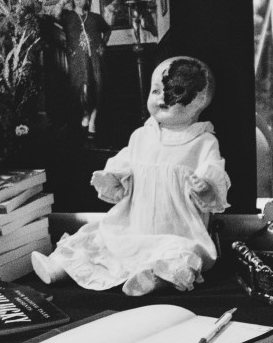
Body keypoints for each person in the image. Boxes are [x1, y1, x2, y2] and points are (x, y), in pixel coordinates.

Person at [32, 56, 231, 296]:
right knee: (98, 238)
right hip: (134, 225)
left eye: (175, 91)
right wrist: (115, 178)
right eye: (155, 90)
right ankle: (57, 268)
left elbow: (214, 180)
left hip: (178, 232)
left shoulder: (203, 142)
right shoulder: (141, 137)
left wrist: (205, 187)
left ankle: (152, 280)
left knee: (181, 255)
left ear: (199, 99)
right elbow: (124, 167)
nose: (162, 97)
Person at [50, 0, 112, 141]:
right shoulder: (68, 16)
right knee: (82, 89)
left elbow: (107, 29)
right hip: (77, 60)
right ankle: (86, 112)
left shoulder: (96, 18)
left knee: (98, 88)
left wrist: (102, 45)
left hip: (96, 59)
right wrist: (63, 0)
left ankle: (93, 119)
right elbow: (54, 16)